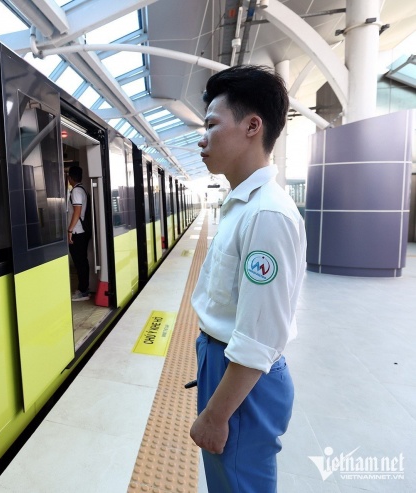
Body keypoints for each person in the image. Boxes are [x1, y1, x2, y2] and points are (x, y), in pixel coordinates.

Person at [189, 65, 306, 492]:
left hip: (241, 378)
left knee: (240, 484)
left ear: (252, 126)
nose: (202, 138)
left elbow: (260, 335)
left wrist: (216, 416)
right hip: (225, 365)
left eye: (211, 124)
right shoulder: (241, 205)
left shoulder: (267, 214)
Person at [66, 165, 90, 301]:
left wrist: (70, 230)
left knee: (79, 262)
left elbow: (77, 211)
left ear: (70, 178)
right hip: (82, 231)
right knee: (82, 261)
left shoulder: (76, 192)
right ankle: (84, 289)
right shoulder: (82, 190)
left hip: (77, 232)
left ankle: (83, 291)